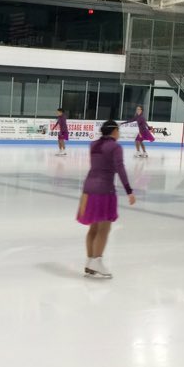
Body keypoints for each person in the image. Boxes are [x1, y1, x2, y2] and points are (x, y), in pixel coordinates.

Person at [77, 119, 135, 278]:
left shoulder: (93, 145)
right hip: (104, 190)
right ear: (114, 131)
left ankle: (90, 261)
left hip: (88, 188)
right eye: (118, 130)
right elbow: (120, 168)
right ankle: (97, 260)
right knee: (104, 228)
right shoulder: (115, 147)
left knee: (93, 228)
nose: (119, 133)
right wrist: (129, 190)